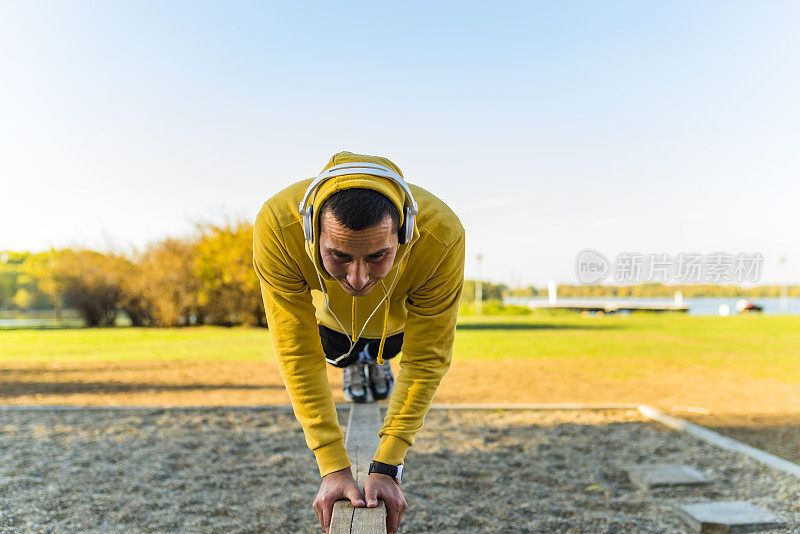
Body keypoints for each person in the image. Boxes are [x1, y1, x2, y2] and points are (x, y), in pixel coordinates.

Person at [252, 151, 465, 534]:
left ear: (405, 233)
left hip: (392, 323)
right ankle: (359, 363)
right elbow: (297, 351)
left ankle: (374, 360)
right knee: (340, 354)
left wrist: (387, 464)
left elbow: (427, 357)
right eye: (338, 255)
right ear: (310, 232)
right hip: (331, 324)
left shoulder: (442, 236)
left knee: (381, 353)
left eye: (378, 256)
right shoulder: (277, 226)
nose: (357, 278)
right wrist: (332, 464)